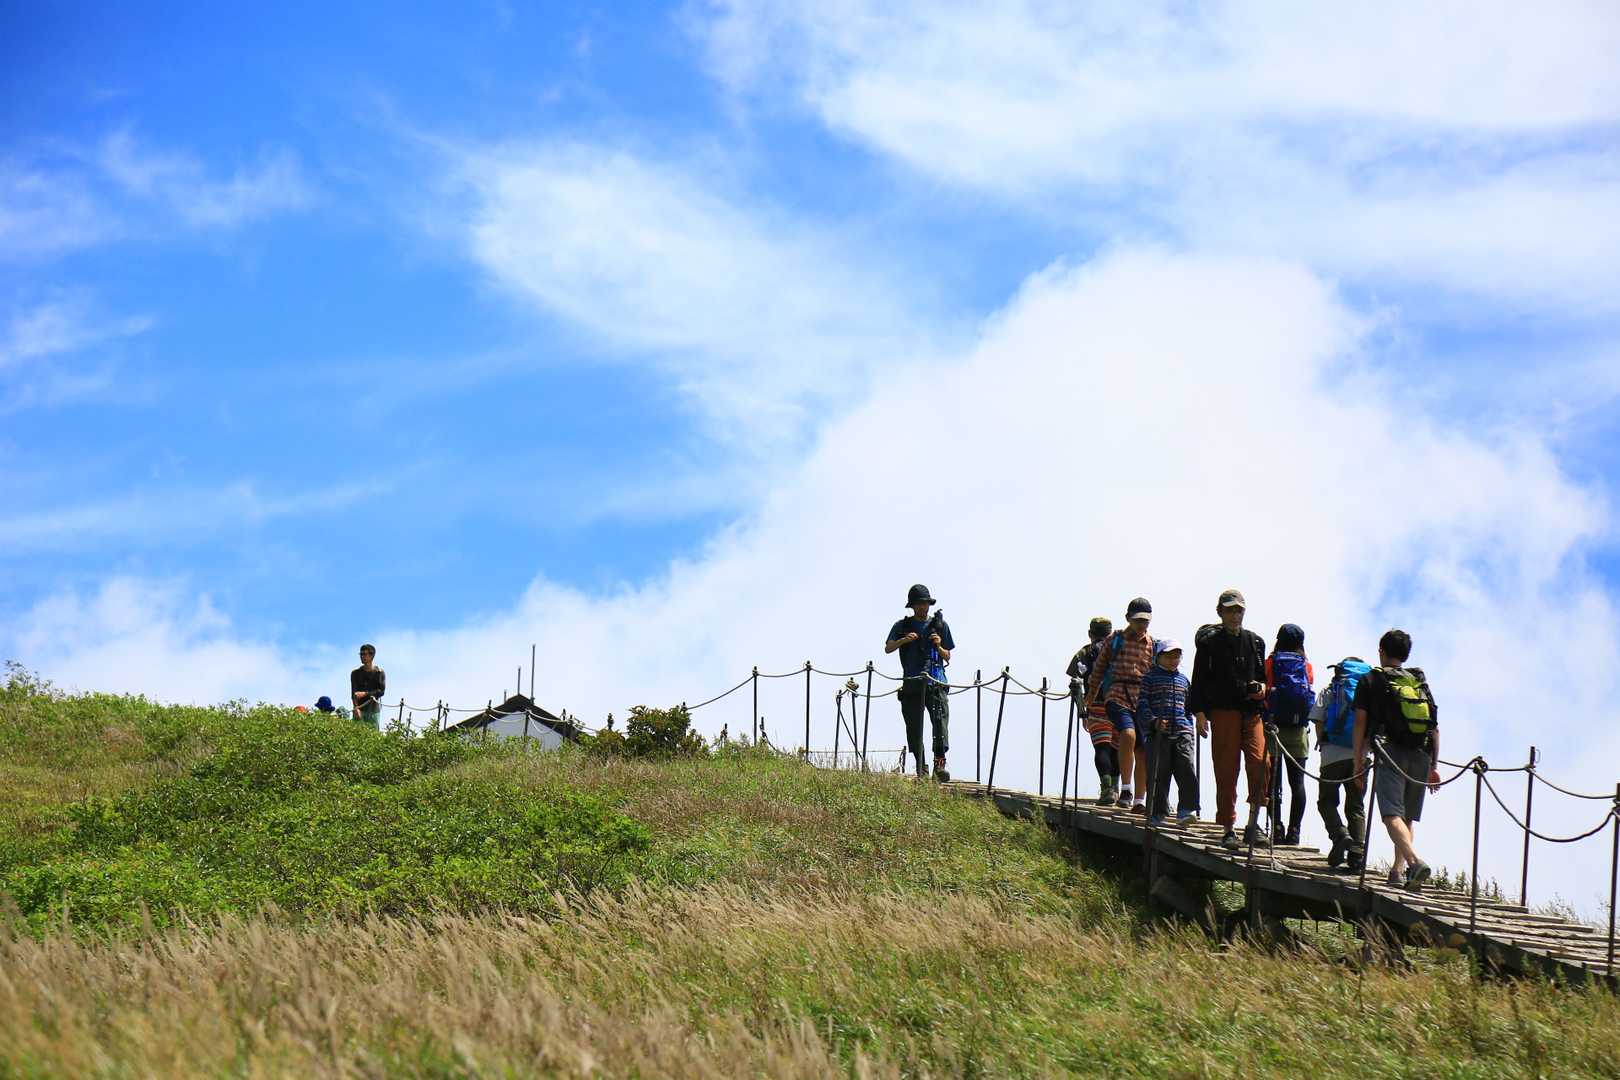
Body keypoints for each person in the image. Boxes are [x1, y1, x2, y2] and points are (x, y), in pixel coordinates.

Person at [1353, 629, 1441, 890]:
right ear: (1405, 655)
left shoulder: (1370, 680)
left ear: (1381, 651)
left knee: (1391, 814)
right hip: (1421, 753)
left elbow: (1360, 724)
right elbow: (1434, 727)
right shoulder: (1418, 681)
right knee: (1407, 816)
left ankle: (1413, 862)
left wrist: (1358, 761)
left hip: (1389, 752)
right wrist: (1433, 766)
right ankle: (1397, 871)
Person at [1188, 588, 1269, 849]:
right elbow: (1199, 679)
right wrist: (1200, 713)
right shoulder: (1209, 644)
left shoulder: (1256, 642)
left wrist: (1262, 688)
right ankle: (1228, 828)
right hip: (1223, 711)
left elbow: (1263, 678)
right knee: (1226, 770)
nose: (1235, 615)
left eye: (1239, 610)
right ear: (1220, 612)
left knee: (1261, 763)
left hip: (1251, 712)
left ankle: (1253, 823)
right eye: (1230, 610)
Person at [1084, 598, 1155, 812]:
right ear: (1128, 618)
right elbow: (1099, 668)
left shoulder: (1153, 644)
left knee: (1142, 750)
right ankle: (1125, 788)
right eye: (1138, 620)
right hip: (1116, 694)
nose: (1142, 624)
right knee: (1128, 734)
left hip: (1140, 699)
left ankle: (1139, 800)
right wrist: (1091, 695)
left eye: (1145, 621)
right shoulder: (1115, 640)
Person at [884, 584, 955, 781]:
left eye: (926, 603)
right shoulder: (902, 626)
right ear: (913, 606)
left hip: (935, 681)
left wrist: (938, 645)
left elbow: (948, 655)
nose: (923, 607)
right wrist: (904, 640)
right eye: (920, 604)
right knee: (914, 726)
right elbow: (888, 648)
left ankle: (939, 765)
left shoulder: (940, 626)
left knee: (940, 724)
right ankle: (920, 766)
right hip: (912, 682)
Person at [1314, 657, 1371, 872]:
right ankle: (1357, 855)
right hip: (1361, 756)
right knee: (1356, 805)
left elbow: (1318, 720)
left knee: (1326, 801)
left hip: (1332, 756)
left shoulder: (1329, 691)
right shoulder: (1368, 694)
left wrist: (1322, 741)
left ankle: (1339, 834)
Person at [1140, 639, 1200, 826]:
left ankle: (1186, 810)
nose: (1173, 660)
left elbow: (1188, 708)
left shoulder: (1184, 680)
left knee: (1187, 768)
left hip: (1182, 732)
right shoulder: (1149, 678)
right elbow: (1142, 704)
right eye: (1168, 656)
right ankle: (1158, 813)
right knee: (1159, 772)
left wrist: (1189, 727)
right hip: (1158, 733)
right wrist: (1153, 721)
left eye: (1177, 656)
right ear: (1158, 657)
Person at [1265, 623, 1315, 846]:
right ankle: (1295, 832)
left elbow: (1266, 689)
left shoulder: (1270, 663)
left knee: (1273, 784)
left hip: (1273, 728)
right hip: (1298, 729)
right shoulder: (1306, 665)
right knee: (1298, 784)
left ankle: (1276, 829)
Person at [1066, 616, 1117, 805]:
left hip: (1096, 704)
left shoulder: (1084, 653)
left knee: (1102, 747)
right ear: (1110, 633)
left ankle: (1107, 789)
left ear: (1090, 633)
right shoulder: (1119, 649)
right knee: (1117, 748)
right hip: (1121, 703)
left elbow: (1076, 683)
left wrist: (1082, 712)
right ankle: (1118, 789)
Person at [351, 644, 386, 728]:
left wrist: (365, 694)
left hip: (374, 711)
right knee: (356, 733)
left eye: (364, 654)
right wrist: (356, 708)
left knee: (373, 734)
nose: (362, 656)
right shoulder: (355, 673)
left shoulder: (379, 672)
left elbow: (381, 692)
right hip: (359, 709)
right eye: (361, 654)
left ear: (372, 655)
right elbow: (353, 693)